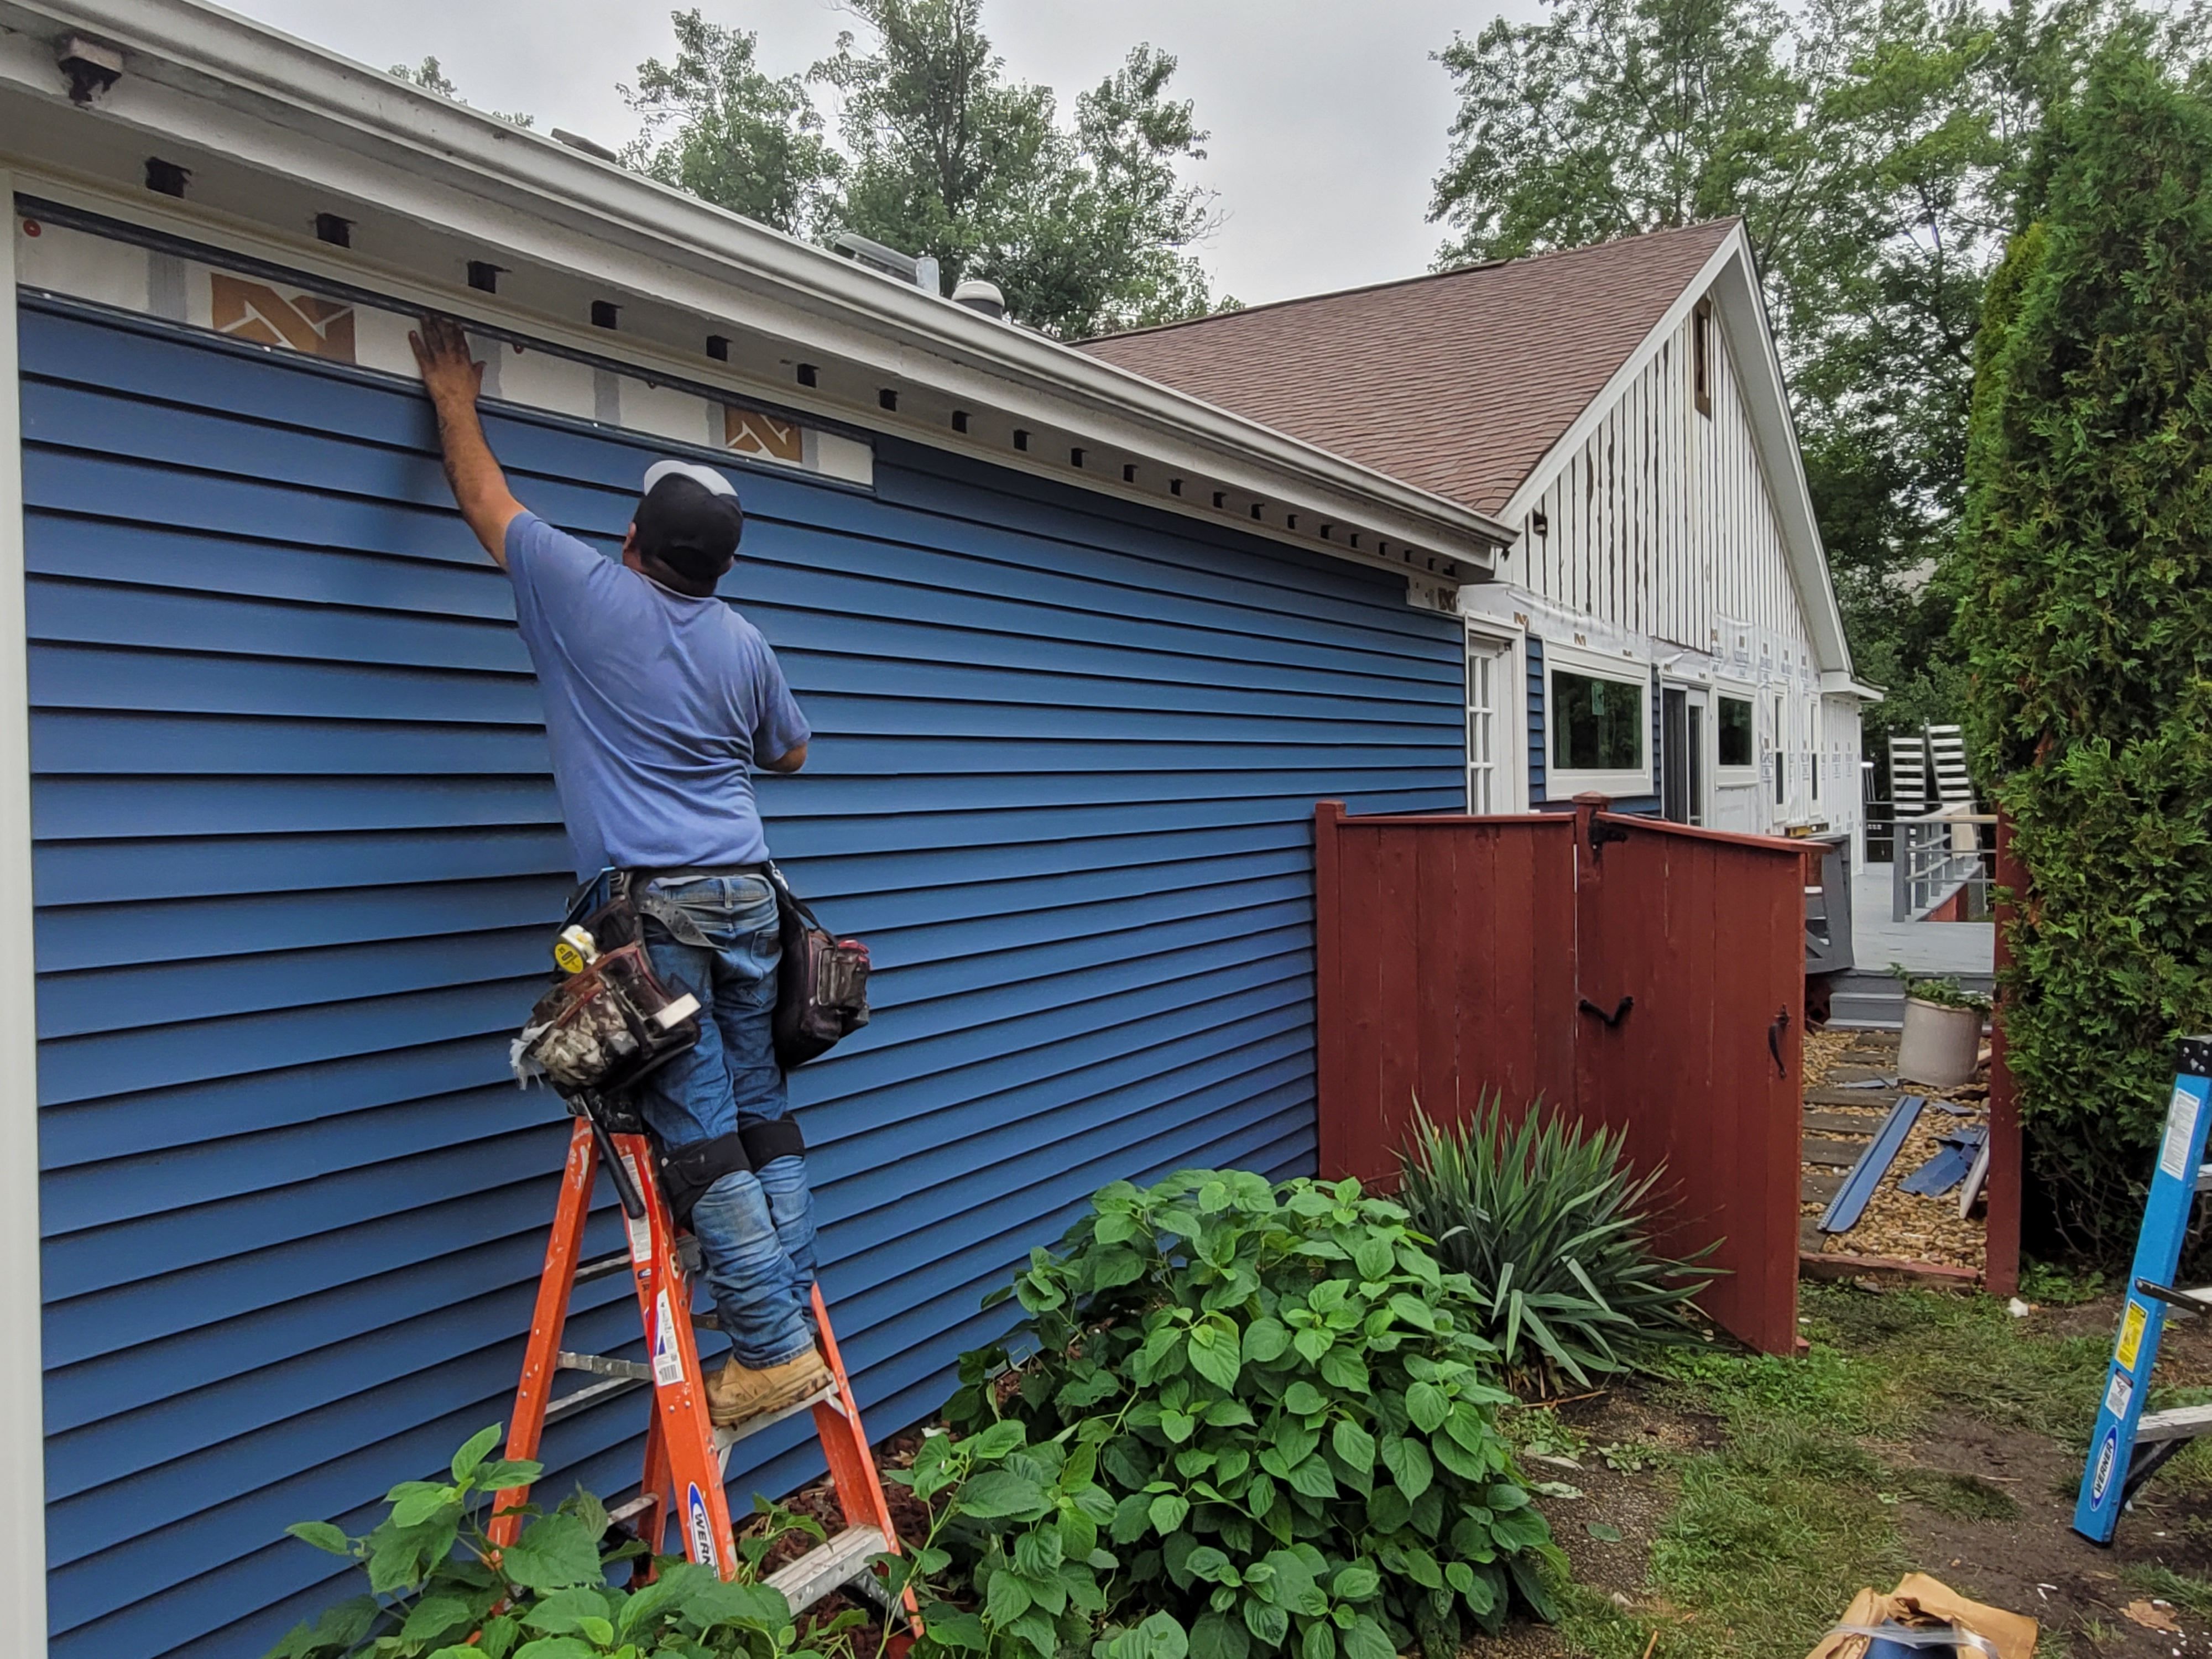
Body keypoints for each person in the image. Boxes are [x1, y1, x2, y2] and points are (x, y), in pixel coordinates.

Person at [408, 312, 832, 1427]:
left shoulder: (585, 590)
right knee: (758, 1113)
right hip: (752, 896)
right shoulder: (742, 639)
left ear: (635, 535)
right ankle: (782, 1317)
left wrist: (454, 394)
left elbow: (484, 503)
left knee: (695, 1129)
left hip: (659, 907)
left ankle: (772, 1345)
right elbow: (787, 751)